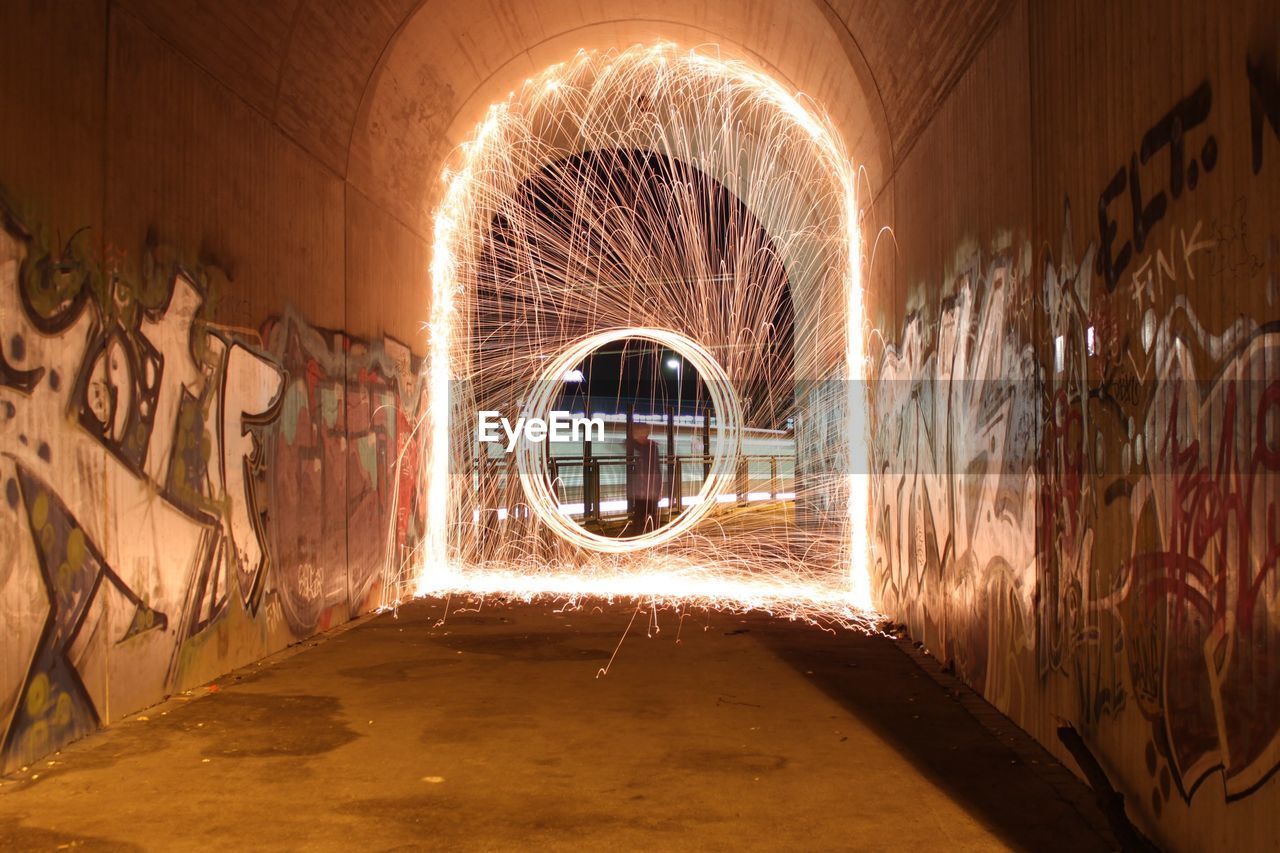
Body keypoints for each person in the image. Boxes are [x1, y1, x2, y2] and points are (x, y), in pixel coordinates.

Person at [624, 422, 663, 535]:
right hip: (642, 491)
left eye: (639, 432)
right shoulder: (647, 446)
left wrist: (659, 489)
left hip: (649, 491)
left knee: (647, 516)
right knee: (642, 516)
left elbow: (656, 469)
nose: (637, 435)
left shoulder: (650, 447)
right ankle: (643, 537)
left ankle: (649, 537)